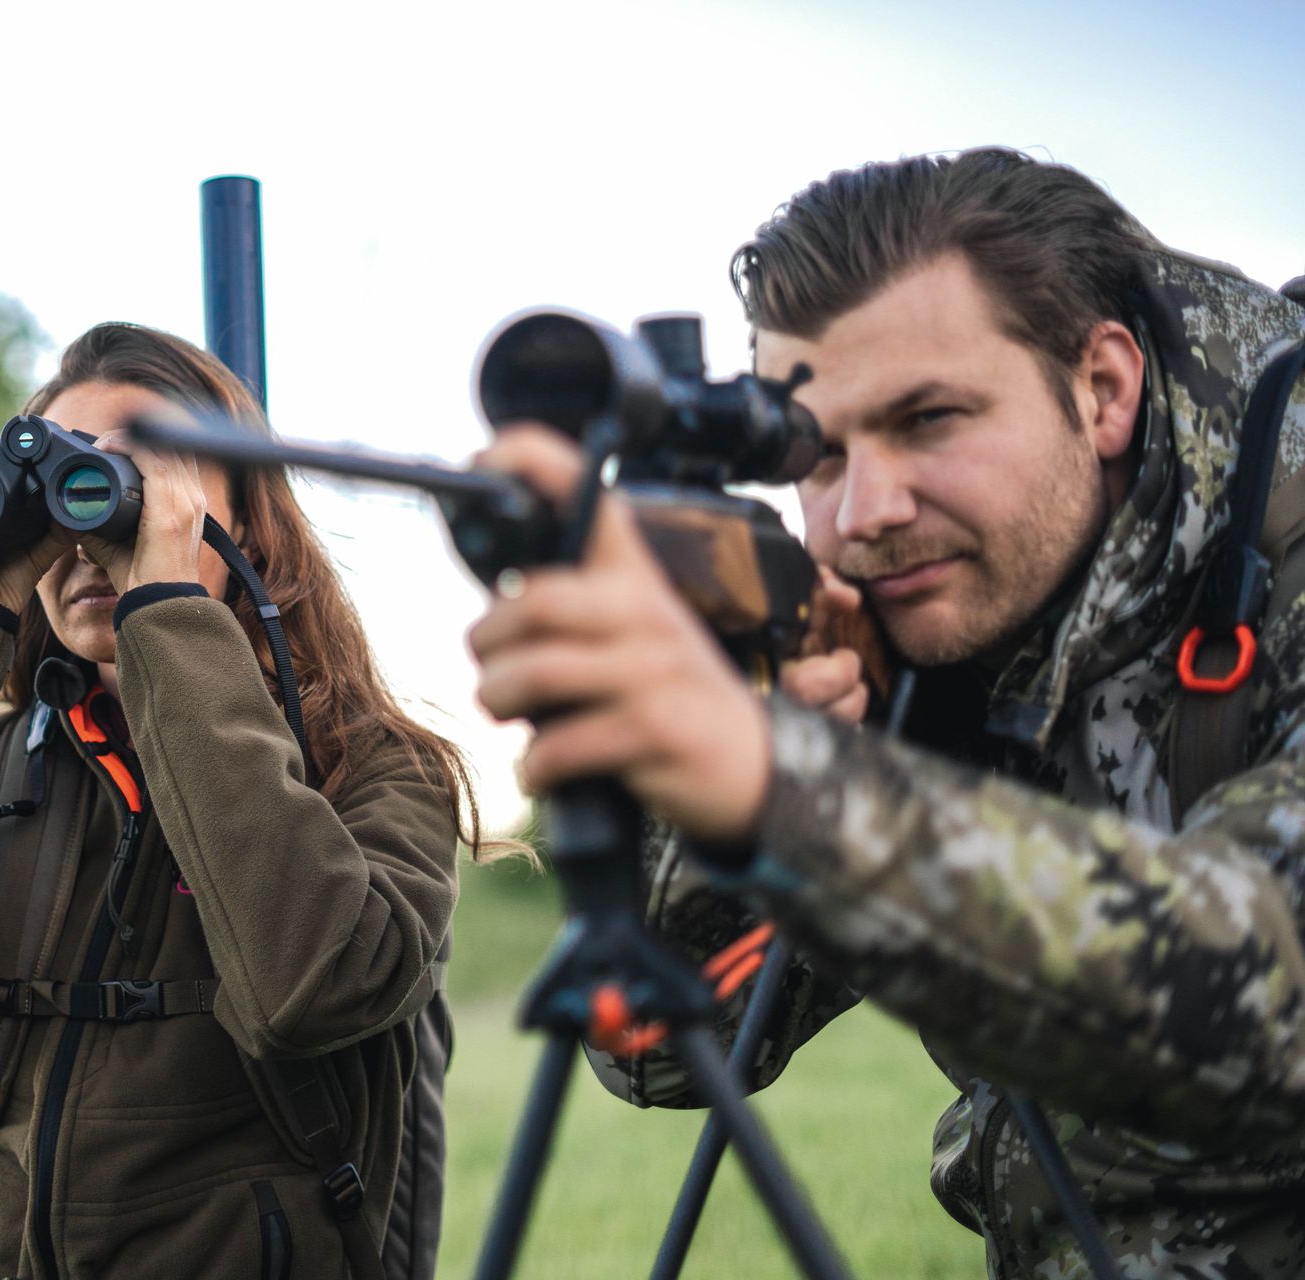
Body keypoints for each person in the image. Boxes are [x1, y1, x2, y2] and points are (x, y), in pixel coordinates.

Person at [465, 148, 1305, 1276]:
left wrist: (793, 788)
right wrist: (736, 780)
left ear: (1103, 387)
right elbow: (664, 1048)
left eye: (930, 420)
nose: (865, 512)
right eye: (818, 457)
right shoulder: (928, 625)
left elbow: (1260, 992)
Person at [0, 322, 475, 1279]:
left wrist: (166, 610)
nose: (85, 536)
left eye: (129, 482)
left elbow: (309, 991)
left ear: (248, 527)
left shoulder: (373, 770)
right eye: (60, 496)